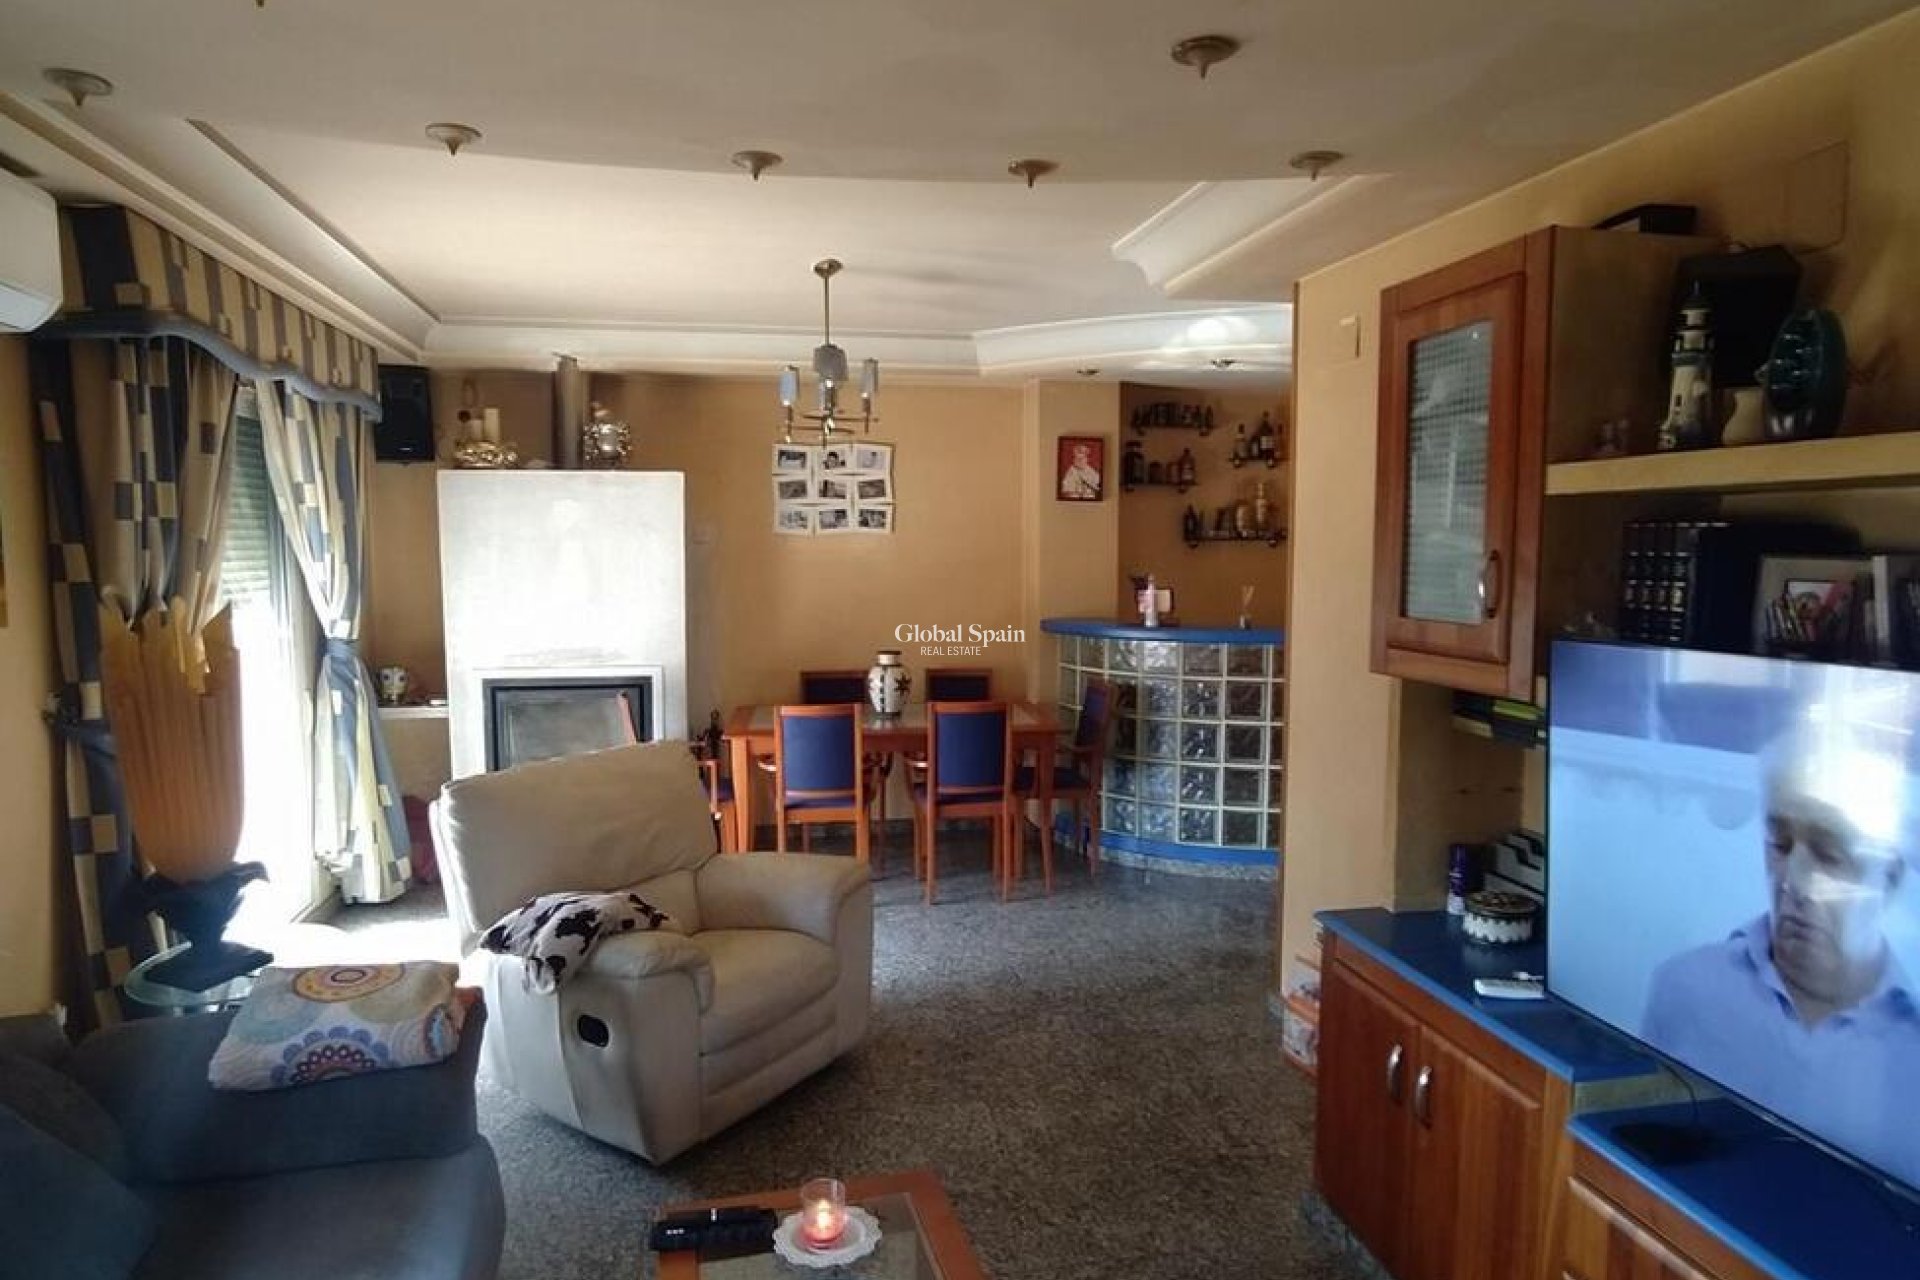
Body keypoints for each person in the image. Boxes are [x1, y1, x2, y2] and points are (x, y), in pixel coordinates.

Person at [1643, 725, 1920, 1189]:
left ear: (1887, 877)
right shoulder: (1685, 986)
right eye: (1780, 844)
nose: (1793, 880)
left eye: (1829, 855)